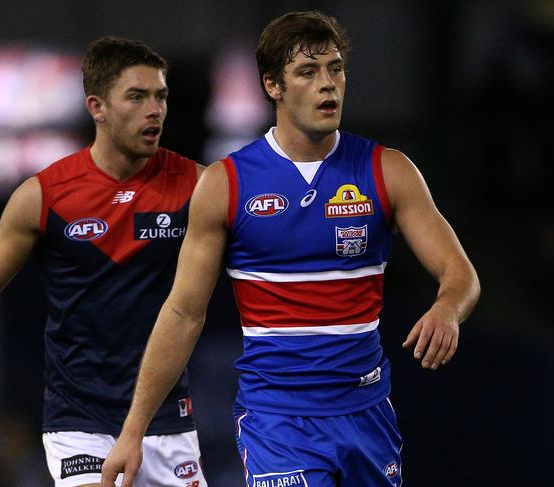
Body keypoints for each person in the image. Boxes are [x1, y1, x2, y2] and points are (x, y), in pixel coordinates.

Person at [102, 10, 482, 487]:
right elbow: (182, 313)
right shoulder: (227, 184)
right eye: (308, 72)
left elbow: (460, 275)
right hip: (277, 422)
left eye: (335, 68)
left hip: (367, 415)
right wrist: (132, 431)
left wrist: (448, 309)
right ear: (273, 86)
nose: (329, 85)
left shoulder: (389, 171)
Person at [0, 37, 208, 487]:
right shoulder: (44, 196)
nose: (154, 109)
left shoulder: (197, 186)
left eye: (160, 96)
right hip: (79, 421)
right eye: (136, 97)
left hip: (166, 418)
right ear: (97, 107)